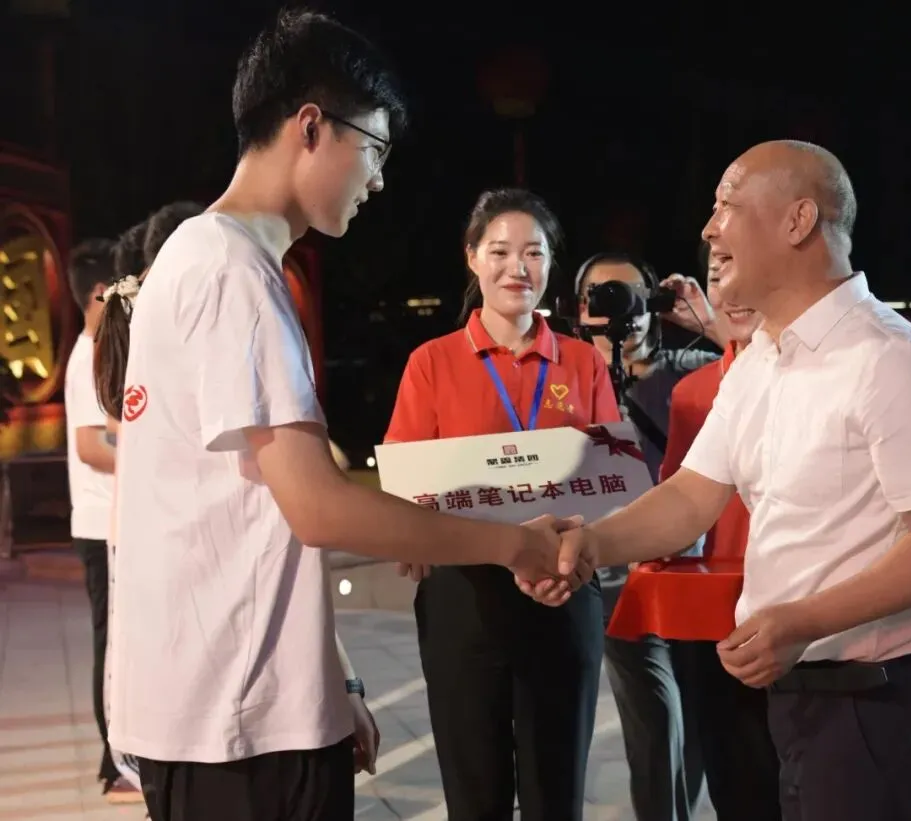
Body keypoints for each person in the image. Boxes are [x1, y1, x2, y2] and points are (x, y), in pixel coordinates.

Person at [104, 13, 582, 821]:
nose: (378, 179)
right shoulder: (233, 275)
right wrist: (511, 543)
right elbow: (317, 506)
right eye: (375, 148)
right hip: (238, 729)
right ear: (311, 127)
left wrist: (334, 679)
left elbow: (255, 514)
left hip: (230, 708)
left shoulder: (199, 256)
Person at [524, 140, 911, 821]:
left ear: (798, 220)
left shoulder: (887, 361)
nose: (710, 229)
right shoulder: (761, 361)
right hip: (795, 695)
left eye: (727, 206)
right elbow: (692, 495)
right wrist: (590, 544)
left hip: (878, 703)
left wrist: (802, 621)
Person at [383, 187, 619, 821]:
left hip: (563, 589)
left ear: (551, 263)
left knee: (556, 793)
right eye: (500, 251)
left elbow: (610, 479)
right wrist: (410, 534)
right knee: (475, 794)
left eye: (534, 253)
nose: (518, 267)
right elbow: (405, 483)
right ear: (472, 258)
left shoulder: (582, 362)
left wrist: (575, 557)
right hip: (464, 596)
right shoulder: (431, 363)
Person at [574, 250, 719, 821]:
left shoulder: (693, 367)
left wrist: (707, 320)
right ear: (580, 309)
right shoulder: (566, 379)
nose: (620, 312)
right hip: (617, 578)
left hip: (693, 570)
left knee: (699, 717)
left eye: (632, 296)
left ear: (654, 305)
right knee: (655, 715)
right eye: (602, 298)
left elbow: (767, 365)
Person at [657, 250, 780, 819]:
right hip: (718, 617)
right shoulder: (692, 392)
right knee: (738, 784)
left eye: (741, 269)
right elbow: (675, 506)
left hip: (801, 612)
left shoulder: (815, 380)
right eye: (717, 276)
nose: (731, 288)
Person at [63, 239, 141, 805]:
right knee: (110, 645)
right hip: (99, 522)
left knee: (116, 642)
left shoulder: (97, 350)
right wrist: (153, 457)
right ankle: (113, 765)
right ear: (99, 292)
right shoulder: (88, 356)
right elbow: (90, 447)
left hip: (109, 518)